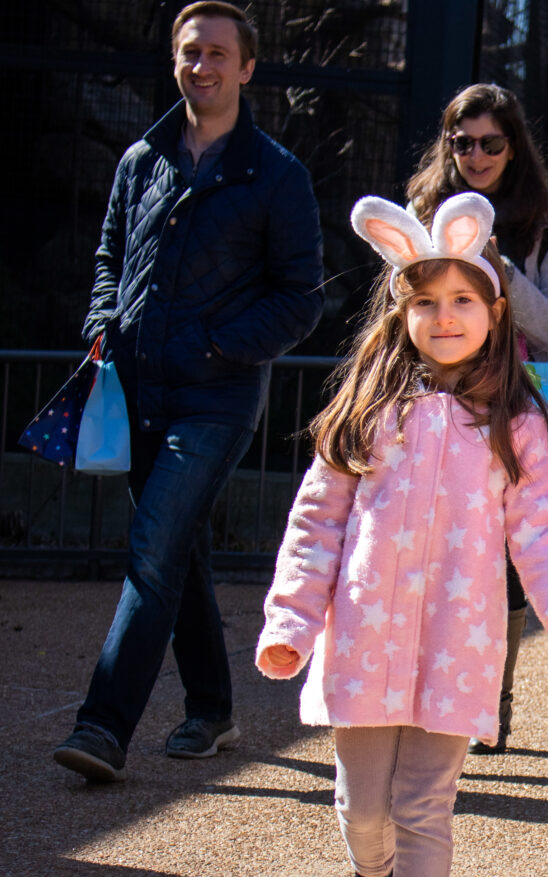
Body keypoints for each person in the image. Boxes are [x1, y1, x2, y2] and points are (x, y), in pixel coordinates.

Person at [255, 192, 548, 877]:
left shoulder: (515, 420)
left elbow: (547, 543)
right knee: (363, 806)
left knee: (424, 803)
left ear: (495, 310)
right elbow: (315, 522)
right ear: (401, 309)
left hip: (456, 646)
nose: (445, 316)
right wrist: (291, 622)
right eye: (426, 301)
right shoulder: (365, 407)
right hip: (362, 642)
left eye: (463, 299)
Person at [52, 0, 323, 783]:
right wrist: (104, 320)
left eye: (214, 54)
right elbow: (108, 254)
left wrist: (218, 344)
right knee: (180, 550)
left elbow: (302, 297)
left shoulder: (276, 175)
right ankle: (211, 708)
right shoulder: (143, 158)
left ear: (245, 67)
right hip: (134, 390)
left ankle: (102, 727)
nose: (199, 66)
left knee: (151, 549)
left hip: (217, 398)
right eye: (188, 53)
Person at [407, 82, 548, 756]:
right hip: (433, 402)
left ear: (514, 146)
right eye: (463, 142)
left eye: (490, 142)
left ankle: (490, 699)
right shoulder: (425, 208)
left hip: (511, 408)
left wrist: (499, 271)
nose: (476, 154)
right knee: (427, 550)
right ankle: (423, 692)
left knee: (502, 563)